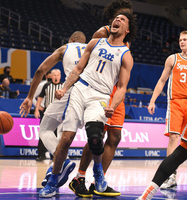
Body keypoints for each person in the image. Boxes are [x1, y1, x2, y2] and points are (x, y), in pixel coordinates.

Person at [39, 12, 136, 197]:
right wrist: (64, 88)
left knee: (95, 138)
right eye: (116, 18)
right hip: (80, 89)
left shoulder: (126, 55)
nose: (117, 20)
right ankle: (53, 181)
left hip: (100, 95)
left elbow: (122, 87)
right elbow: (77, 69)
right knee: (66, 139)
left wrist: (112, 105)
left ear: (127, 29)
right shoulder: (95, 42)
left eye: (122, 19)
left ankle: (98, 173)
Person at [69, 0, 133, 198]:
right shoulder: (102, 33)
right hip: (99, 90)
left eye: (126, 17)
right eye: (120, 15)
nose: (122, 18)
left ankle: (100, 181)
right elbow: (88, 60)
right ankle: (80, 176)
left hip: (116, 92)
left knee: (115, 137)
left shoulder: (126, 37)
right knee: (96, 135)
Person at [137, 33, 187, 200]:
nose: (181, 42)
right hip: (176, 102)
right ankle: (170, 176)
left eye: (184, 39)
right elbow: (162, 80)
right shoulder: (173, 58)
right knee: (174, 137)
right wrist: (152, 100)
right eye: (179, 40)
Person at [19, 31, 87, 186]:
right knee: (66, 135)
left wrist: (30, 97)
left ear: (71, 39)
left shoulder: (65, 48)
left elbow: (41, 70)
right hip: (92, 96)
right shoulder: (93, 48)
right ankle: (56, 169)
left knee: (45, 129)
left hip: (71, 91)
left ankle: (62, 161)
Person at [35, 69, 63, 162]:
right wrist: (37, 109)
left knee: (55, 135)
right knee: (43, 133)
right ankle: (41, 154)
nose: (55, 77)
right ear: (51, 76)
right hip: (47, 112)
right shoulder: (46, 85)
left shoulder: (63, 86)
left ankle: (54, 155)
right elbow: (40, 97)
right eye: (54, 75)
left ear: (60, 76)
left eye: (57, 75)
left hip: (59, 113)